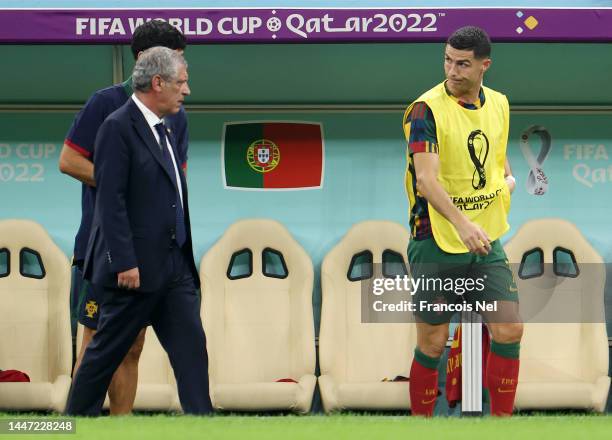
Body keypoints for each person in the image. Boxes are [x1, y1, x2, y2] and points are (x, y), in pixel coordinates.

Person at [65, 47, 212, 416]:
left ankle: (205, 423)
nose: (187, 90)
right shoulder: (117, 126)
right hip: (134, 270)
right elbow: (109, 201)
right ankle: (69, 425)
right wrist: (124, 261)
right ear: (157, 83)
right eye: (181, 82)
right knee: (102, 356)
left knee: (192, 350)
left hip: (174, 269)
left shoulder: (170, 126)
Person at [402, 26, 523, 417]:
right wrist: (461, 224)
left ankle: (499, 426)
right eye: (448, 60)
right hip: (435, 238)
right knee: (434, 343)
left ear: (484, 65)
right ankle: (422, 426)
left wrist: (506, 178)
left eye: (463, 64)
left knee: (509, 329)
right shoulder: (426, 109)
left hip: (486, 241)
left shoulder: (501, 103)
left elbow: (495, 153)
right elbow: (426, 180)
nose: (452, 70)